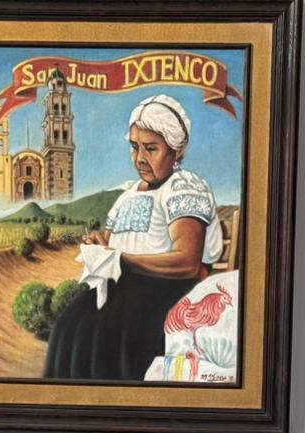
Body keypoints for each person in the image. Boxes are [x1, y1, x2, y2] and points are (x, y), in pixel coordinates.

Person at [44, 94, 224, 381]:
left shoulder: (184, 188)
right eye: (134, 147)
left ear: (177, 150)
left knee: (109, 333)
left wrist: (122, 259)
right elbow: (112, 241)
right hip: (124, 287)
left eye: (151, 148)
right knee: (68, 325)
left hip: (168, 289)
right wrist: (99, 245)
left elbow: (187, 263)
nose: (140, 158)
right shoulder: (128, 194)